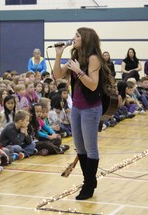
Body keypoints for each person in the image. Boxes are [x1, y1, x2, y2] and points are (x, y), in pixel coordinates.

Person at [53, 27, 113, 200]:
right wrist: (58, 55)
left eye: (77, 36)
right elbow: (57, 75)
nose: (73, 38)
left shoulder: (94, 58)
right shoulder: (75, 57)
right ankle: (90, 181)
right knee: (80, 148)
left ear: (85, 39)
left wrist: (79, 71)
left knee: (90, 147)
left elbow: (93, 85)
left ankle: (88, 185)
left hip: (91, 108)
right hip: (77, 108)